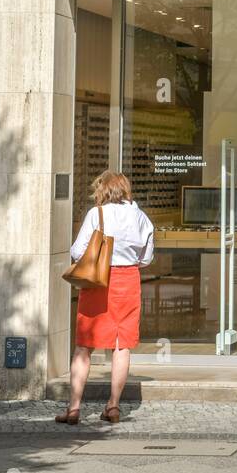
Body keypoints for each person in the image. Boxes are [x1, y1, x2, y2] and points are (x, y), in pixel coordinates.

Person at [57, 171, 155, 425]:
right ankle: (113, 405)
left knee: (84, 345)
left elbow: (77, 251)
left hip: (98, 281)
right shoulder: (141, 217)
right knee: (121, 344)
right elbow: (146, 258)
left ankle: (74, 408)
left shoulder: (96, 214)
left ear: (103, 190)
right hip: (128, 281)